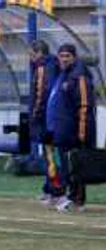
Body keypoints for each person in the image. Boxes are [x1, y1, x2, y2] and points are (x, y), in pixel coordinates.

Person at [45, 43, 96, 212]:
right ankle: (69, 196)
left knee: (77, 167)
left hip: (74, 131)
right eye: (62, 56)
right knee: (67, 167)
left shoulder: (79, 76)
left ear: (74, 57)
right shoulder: (64, 74)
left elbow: (84, 106)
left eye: (67, 56)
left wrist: (82, 132)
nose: (64, 59)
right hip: (62, 130)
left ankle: (77, 201)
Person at [28, 40, 59, 204]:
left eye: (32, 54)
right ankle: (50, 189)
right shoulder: (54, 65)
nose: (30, 58)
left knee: (51, 156)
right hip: (53, 118)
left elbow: (41, 94)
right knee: (52, 156)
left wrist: (34, 115)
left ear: (39, 53)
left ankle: (55, 192)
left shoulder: (42, 68)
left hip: (46, 119)